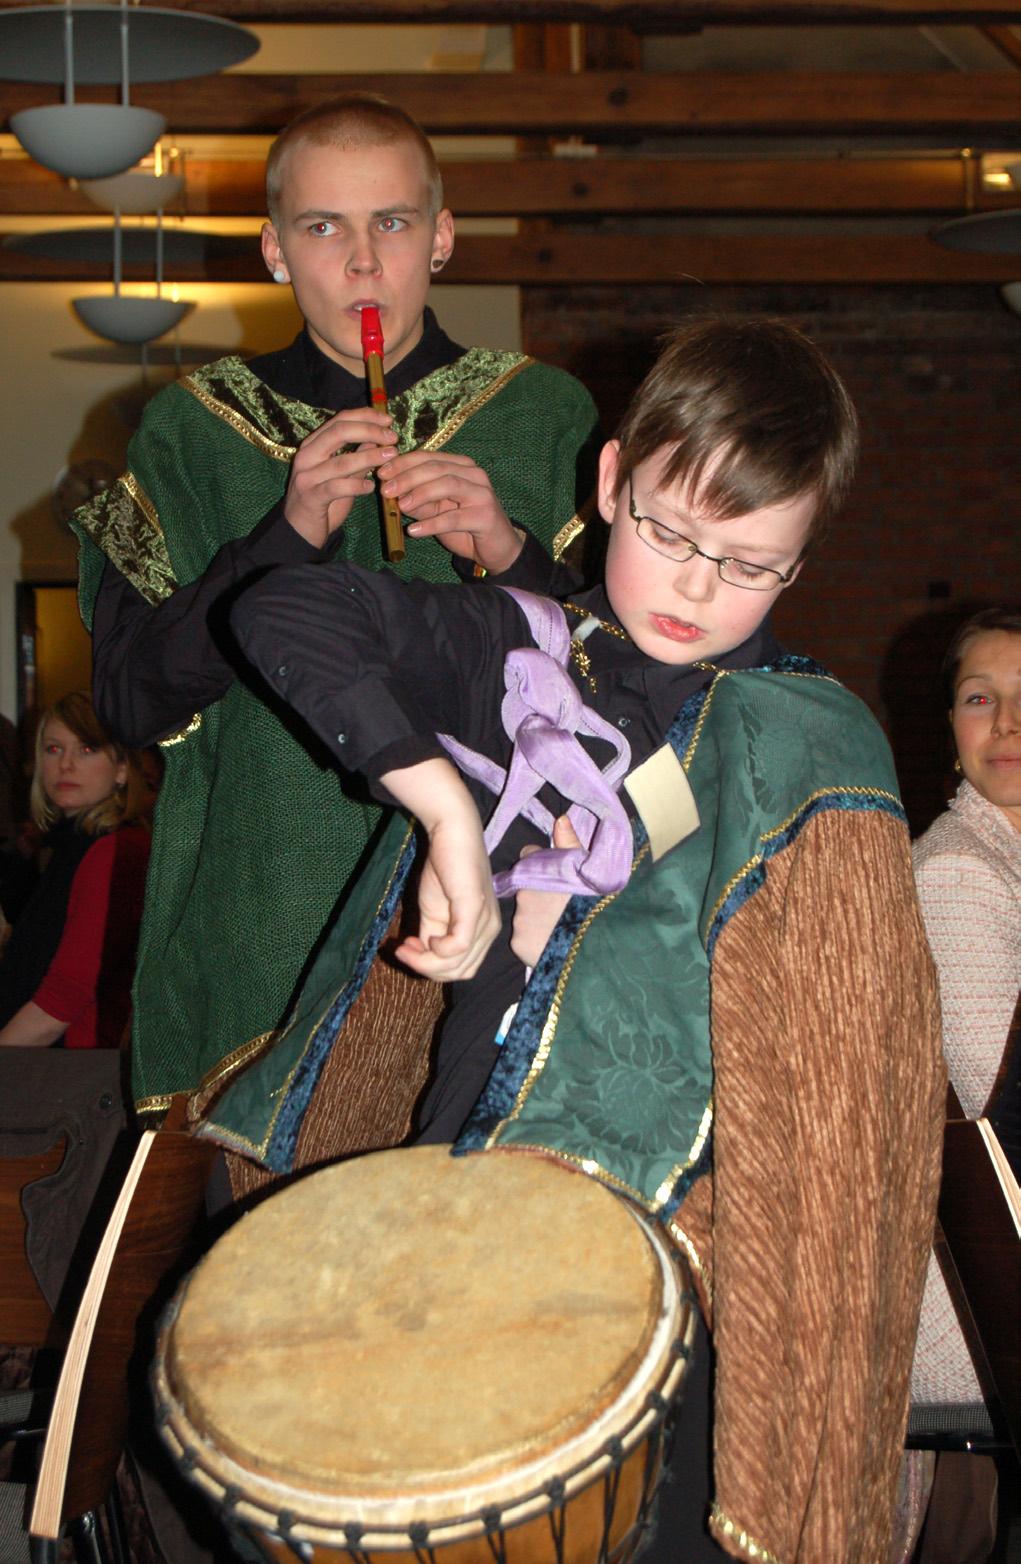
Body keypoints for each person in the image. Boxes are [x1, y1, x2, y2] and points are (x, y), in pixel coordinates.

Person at [213, 316, 945, 1563]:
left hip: (669, 1275)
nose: (697, 587)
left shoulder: (806, 747)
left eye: (750, 563)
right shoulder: (529, 658)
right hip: (448, 1218)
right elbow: (286, 610)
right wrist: (442, 803)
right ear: (608, 483)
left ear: (803, 560)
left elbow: (837, 1117)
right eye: (667, 532)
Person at [68, 93, 599, 1118]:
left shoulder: (545, 414)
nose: (363, 264)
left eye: (392, 224)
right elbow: (129, 703)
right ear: (274, 250)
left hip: (507, 919)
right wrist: (283, 536)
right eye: (323, 228)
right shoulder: (187, 431)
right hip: (255, 935)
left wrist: (507, 550)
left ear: (440, 238)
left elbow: (626, 687)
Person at [904, 607, 1021, 1564]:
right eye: (980, 700)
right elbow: (996, 1122)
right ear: (950, 727)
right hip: (979, 1325)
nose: (1007, 726)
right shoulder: (957, 870)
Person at [0, 692, 150, 1050]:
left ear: (122, 769)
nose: (65, 765)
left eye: (86, 749)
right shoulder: (67, 847)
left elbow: (64, 997)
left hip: (77, 1078)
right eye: (53, 750)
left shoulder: (115, 849)